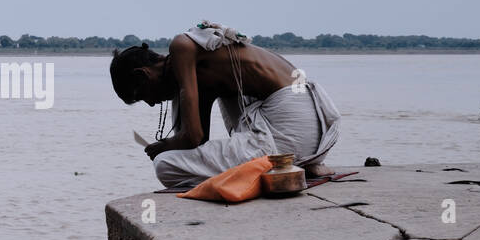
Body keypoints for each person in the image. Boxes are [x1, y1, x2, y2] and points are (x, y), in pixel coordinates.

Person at [111, 22, 341, 189]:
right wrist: (174, 141)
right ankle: (298, 162)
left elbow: (191, 137)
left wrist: (161, 148)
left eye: (142, 96)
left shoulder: (181, 47)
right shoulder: (201, 70)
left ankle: (281, 164)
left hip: (289, 127)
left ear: (143, 75)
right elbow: (198, 142)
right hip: (316, 128)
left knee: (165, 165)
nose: (152, 103)